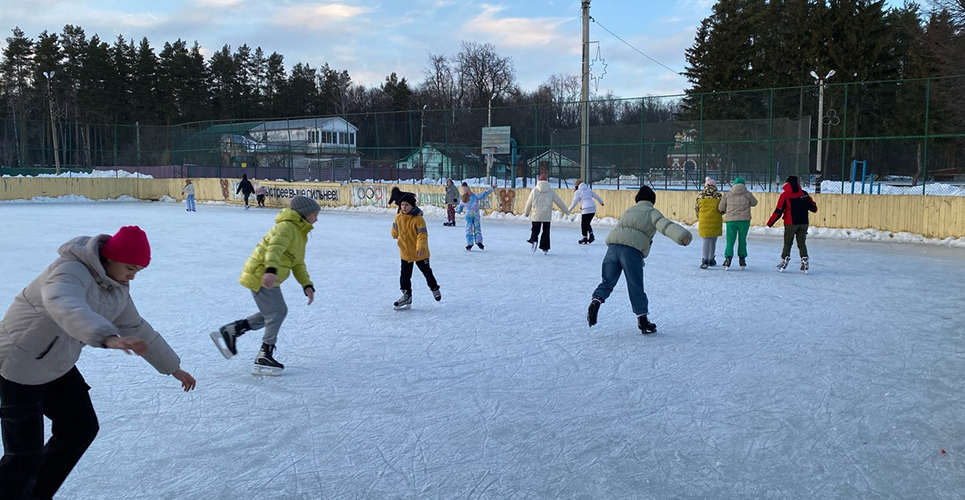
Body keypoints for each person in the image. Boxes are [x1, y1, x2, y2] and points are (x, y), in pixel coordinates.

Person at [0, 226, 196, 500]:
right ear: (110, 258)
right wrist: (106, 336)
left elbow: (136, 327)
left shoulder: (116, 288)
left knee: (79, 429)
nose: (133, 276)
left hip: (56, 362)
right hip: (17, 364)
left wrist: (173, 367)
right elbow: (64, 303)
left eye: (138, 271)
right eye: (130, 268)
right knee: (24, 457)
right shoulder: (69, 270)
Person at [212, 195, 319, 375]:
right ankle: (265, 354)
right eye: (314, 214)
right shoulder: (286, 228)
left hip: (269, 275)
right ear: (304, 213)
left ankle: (232, 330)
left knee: (272, 312)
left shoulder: (299, 233)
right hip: (261, 274)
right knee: (277, 312)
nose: (316, 219)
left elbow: (298, 263)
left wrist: (307, 284)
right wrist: (270, 270)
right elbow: (274, 249)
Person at [586, 186, 692, 334]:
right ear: (652, 200)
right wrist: (682, 236)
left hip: (613, 248)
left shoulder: (629, 211)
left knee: (607, 282)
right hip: (631, 251)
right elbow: (665, 225)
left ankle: (596, 300)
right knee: (635, 285)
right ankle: (642, 320)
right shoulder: (652, 212)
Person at [391, 193, 440, 309]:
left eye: (406, 205)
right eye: (402, 205)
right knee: (404, 276)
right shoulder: (398, 217)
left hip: (420, 253)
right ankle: (406, 296)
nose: (404, 207)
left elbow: (422, 235)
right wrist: (394, 233)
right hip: (405, 252)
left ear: (412, 206)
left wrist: (421, 248)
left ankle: (434, 288)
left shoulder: (419, 219)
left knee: (427, 272)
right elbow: (395, 229)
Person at [767, 175, 818, 272]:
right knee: (802, 243)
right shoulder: (804, 194)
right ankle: (804, 259)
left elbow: (778, 211)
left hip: (790, 223)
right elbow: (814, 208)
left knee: (788, 243)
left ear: (787, 183)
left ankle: (784, 260)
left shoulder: (785, 195)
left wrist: (770, 223)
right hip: (803, 223)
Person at [524, 173, 570, 254]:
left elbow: (529, 202)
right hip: (546, 216)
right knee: (546, 232)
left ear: (538, 180)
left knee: (535, 229)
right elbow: (559, 201)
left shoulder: (534, 190)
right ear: (547, 180)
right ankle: (545, 248)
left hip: (536, 215)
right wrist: (566, 211)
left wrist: (526, 213)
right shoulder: (550, 191)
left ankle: (534, 240)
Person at [718, 176, 758, 269]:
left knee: (730, 240)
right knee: (742, 239)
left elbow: (720, 208)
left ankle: (728, 258)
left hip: (731, 221)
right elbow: (754, 203)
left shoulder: (727, 194)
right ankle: (742, 258)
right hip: (744, 221)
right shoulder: (747, 194)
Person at [455, 181, 495, 251]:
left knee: (470, 229)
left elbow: (459, 210)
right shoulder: (472, 197)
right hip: (473, 216)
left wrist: (455, 209)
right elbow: (484, 194)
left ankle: (472, 243)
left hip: (471, 216)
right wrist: (492, 188)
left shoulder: (465, 199)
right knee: (474, 228)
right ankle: (475, 242)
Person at [695, 177, 723, 269]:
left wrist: (700, 217)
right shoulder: (719, 196)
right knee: (713, 240)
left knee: (705, 240)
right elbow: (722, 209)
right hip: (716, 221)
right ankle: (711, 259)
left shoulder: (700, 196)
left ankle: (704, 260)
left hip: (704, 221)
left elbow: (697, 209)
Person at [568, 179, 605, 244]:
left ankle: (585, 238)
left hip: (586, 209)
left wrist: (568, 210)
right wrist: (601, 202)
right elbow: (596, 196)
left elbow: (574, 202)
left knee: (584, 224)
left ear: (577, 186)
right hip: (593, 208)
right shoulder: (588, 189)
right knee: (587, 223)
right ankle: (591, 235)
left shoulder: (578, 192)